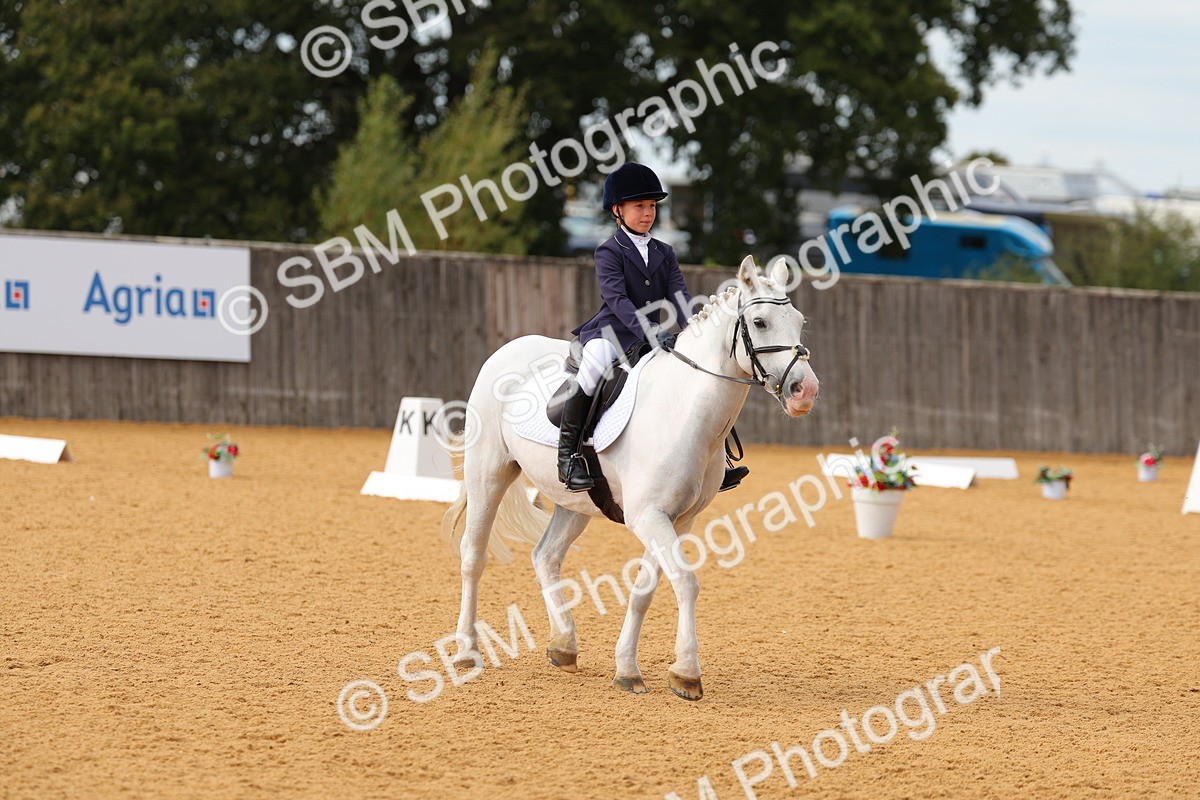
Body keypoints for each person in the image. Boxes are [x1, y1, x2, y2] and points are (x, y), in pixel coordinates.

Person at [556, 162, 749, 493]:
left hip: (653, 339)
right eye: (639, 206)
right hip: (612, 334)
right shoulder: (608, 251)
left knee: (697, 375)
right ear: (618, 210)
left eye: (651, 206)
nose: (647, 213)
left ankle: (717, 462)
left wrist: (697, 333)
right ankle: (569, 456)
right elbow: (617, 299)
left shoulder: (664, 252)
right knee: (592, 368)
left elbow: (680, 297)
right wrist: (649, 329)